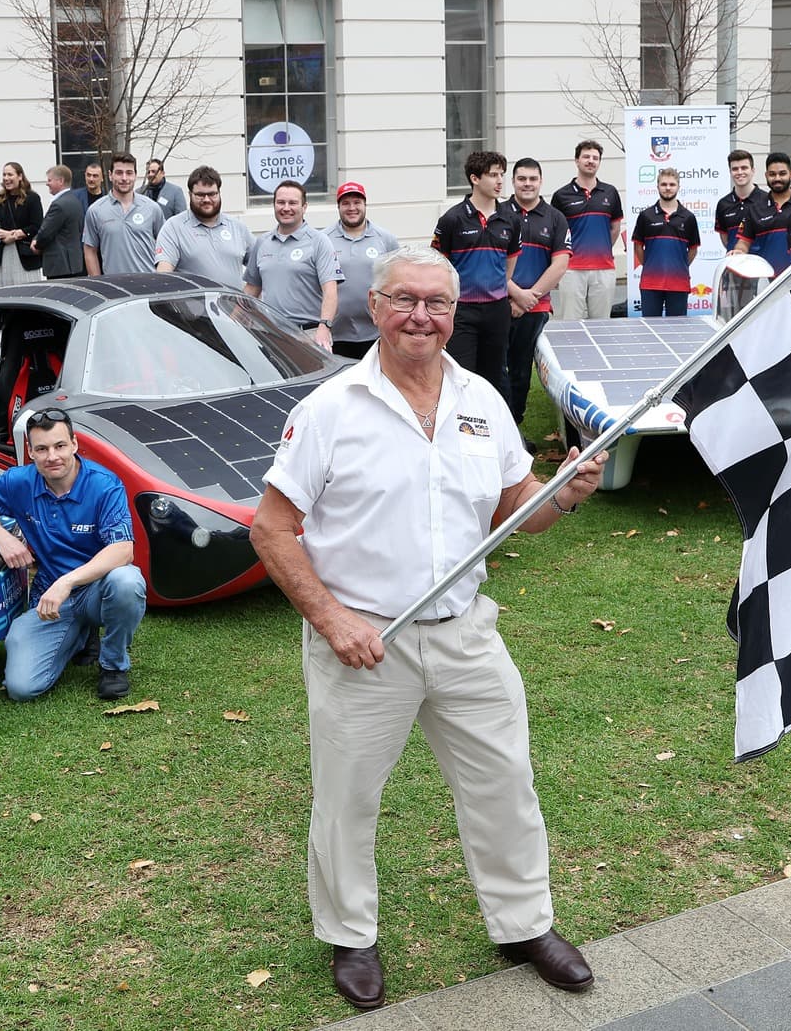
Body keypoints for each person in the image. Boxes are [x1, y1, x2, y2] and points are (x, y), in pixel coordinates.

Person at [250, 245, 607, 1011]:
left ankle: (523, 924)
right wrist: (332, 617)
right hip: (364, 641)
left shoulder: (481, 401)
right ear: (374, 307)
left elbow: (519, 511)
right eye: (405, 299)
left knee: (505, 782)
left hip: (465, 632)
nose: (422, 315)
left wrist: (567, 493)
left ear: (456, 314)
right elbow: (272, 530)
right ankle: (351, 935)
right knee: (347, 797)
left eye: (437, 303)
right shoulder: (329, 409)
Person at [0, 411, 145, 702]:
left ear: (73, 444)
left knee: (127, 581)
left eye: (59, 446)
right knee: (21, 687)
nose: (52, 456)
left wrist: (67, 582)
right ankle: (81, 636)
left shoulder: (104, 485)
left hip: (96, 588)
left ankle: (113, 665)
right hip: (52, 600)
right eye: (42, 449)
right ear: (30, 452)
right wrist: (4, 538)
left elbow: (123, 550)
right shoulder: (18, 481)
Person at [432, 150, 521, 401]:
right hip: (462, 312)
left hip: (497, 311)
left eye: (502, 174)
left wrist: (498, 291)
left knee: (493, 376)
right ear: (475, 178)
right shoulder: (452, 219)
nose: (500, 181)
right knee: (460, 375)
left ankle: (493, 431)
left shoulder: (510, 220)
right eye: (493, 175)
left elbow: (510, 263)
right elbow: (439, 266)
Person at [503, 158, 569, 434]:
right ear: (513, 181)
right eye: (521, 178)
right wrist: (515, 295)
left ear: (540, 181)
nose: (527, 184)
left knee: (520, 373)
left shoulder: (555, 218)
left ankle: (514, 429)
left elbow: (560, 263)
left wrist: (530, 297)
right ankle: (495, 429)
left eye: (532, 179)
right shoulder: (499, 213)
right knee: (494, 371)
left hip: (535, 308)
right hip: (500, 305)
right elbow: (491, 260)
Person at [246, 181, 343, 348]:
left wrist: (324, 326)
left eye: (293, 203)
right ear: (274, 205)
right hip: (271, 335)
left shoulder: (319, 242)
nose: (286, 208)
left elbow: (330, 291)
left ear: (304, 207)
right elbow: (251, 289)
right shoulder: (262, 242)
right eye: (281, 202)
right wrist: (232, 320)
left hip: (309, 334)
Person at [323, 181, 400, 360]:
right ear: (338, 207)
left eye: (357, 202)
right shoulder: (323, 239)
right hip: (336, 334)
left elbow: (397, 281)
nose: (352, 208)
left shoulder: (385, 238)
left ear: (365, 205)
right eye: (346, 203)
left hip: (377, 332)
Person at [548, 140, 623, 320]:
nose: (591, 161)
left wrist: (601, 249)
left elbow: (614, 229)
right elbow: (556, 235)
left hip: (604, 269)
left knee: (601, 325)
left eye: (595, 158)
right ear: (577, 160)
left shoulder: (610, 192)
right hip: (571, 270)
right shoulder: (561, 195)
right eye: (586, 157)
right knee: (571, 325)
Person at [154, 165, 251, 288]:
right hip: (192, 307)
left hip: (233, 306)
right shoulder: (173, 228)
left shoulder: (238, 228)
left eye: (212, 194)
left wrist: (248, 300)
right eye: (200, 195)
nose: (206, 199)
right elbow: (163, 276)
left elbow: (260, 267)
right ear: (190, 194)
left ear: (219, 193)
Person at [629, 167, 700, 318]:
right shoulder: (645, 216)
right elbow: (638, 247)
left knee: (677, 331)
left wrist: (679, 265)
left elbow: (693, 250)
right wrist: (650, 265)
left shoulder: (688, 217)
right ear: (658, 186)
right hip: (650, 283)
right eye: (664, 184)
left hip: (678, 283)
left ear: (678, 187)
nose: (668, 188)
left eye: (672, 184)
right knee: (650, 330)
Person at [82, 152, 166, 276]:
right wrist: (99, 284)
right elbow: (90, 250)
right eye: (119, 172)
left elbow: (166, 245)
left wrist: (161, 278)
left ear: (135, 175)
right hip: (114, 289)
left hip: (149, 286)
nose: (124, 178)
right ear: (110, 175)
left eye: (129, 173)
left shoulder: (152, 208)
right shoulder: (96, 210)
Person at [734, 153, 791, 274]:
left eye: (782, 173)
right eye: (772, 174)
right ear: (766, 176)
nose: (777, 178)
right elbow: (743, 243)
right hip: (766, 283)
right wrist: (739, 252)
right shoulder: (755, 209)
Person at [0, 163, 46, 288]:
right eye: (4, 175)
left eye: (10, 174)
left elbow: (36, 226)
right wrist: (3, 237)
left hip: (25, 256)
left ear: (20, 176)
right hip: (3, 253)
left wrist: (14, 235)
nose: (6, 178)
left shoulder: (32, 198)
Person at [35, 164, 89, 280]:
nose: (47, 183)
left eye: (50, 180)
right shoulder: (74, 200)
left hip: (60, 265)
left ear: (60, 181)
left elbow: (46, 233)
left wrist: (36, 244)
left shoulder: (59, 205)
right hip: (74, 264)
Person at [714, 149, 762, 251]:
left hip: (761, 263)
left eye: (744, 168)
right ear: (730, 172)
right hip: (734, 264)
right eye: (735, 169)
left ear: (753, 170)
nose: (740, 172)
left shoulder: (766, 201)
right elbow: (725, 240)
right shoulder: (723, 204)